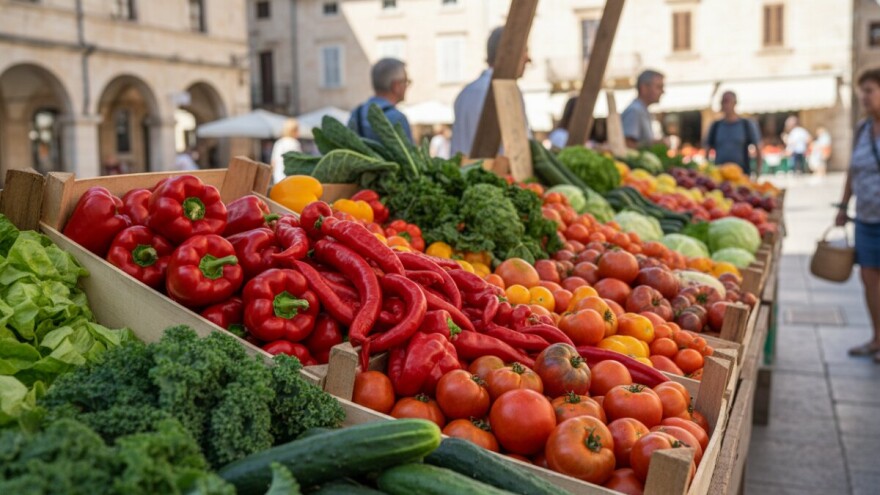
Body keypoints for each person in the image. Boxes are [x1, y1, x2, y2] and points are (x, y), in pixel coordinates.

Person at [836, 68, 880, 362]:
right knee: (869, 279)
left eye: (869, 90)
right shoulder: (863, 129)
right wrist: (843, 205)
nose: (863, 96)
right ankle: (878, 338)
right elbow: (852, 170)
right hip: (866, 219)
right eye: (862, 91)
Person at [450, 26, 531, 156]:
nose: (528, 59)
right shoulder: (507, 91)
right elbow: (522, 149)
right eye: (524, 51)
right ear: (510, 52)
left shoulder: (464, 94)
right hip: (496, 173)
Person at [348, 58, 413, 143]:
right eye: (406, 81)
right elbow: (409, 155)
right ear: (396, 86)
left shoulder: (356, 113)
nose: (407, 86)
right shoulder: (398, 119)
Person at [705, 91, 763, 175]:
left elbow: (758, 147)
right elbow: (708, 149)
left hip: (742, 174)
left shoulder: (746, 124)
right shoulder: (715, 126)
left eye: (727, 101)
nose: (724, 105)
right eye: (722, 102)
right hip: (720, 174)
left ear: (735, 103)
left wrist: (758, 172)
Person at [621, 70, 665, 149]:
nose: (663, 91)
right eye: (659, 87)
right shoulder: (634, 111)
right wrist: (656, 143)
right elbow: (628, 145)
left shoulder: (642, 110)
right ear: (643, 88)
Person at [271, 119, 302, 184]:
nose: (299, 132)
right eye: (297, 130)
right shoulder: (294, 143)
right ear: (293, 131)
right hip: (291, 179)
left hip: (278, 178)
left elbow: (273, 163)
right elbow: (299, 163)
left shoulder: (278, 143)